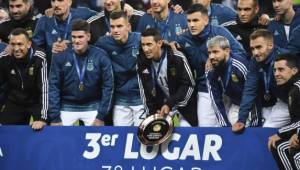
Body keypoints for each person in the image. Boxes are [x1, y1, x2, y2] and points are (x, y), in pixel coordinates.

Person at [176, 4, 246, 127]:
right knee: (205, 128)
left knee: (234, 123)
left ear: (206, 20)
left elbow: (241, 53)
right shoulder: (183, 39)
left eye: (195, 20)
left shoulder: (220, 32)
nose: (191, 24)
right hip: (205, 88)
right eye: (189, 21)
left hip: (230, 86)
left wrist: (216, 59)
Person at [48, 19, 114, 126]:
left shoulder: (100, 55)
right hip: (67, 106)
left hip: (92, 106)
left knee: (97, 136)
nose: (76, 41)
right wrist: (55, 117)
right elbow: (53, 86)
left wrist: (101, 116)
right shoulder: (60, 56)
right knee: (57, 139)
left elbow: (108, 86)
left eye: (80, 37)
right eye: (74, 37)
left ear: (88, 37)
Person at [137, 28, 198, 127]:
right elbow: (145, 92)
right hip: (163, 109)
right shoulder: (142, 63)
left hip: (185, 105)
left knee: (187, 133)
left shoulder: (176, 57)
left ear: (160, 43)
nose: (145, 49)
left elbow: (189, 85)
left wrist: (171, 104)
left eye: (149, 44)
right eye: (143, 45)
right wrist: (152, 113)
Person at [232, 29, 289, 133]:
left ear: (270, 45)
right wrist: (241, 119)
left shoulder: (285, 59)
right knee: (267, 128)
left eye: (258, 47)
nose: (255, 53)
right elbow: (250, 90)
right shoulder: (254, 62)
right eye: (252, 48)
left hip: (294, 101)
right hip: (283, 101)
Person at [95, 11, 145, 126]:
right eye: (112, 27)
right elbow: (87, 51)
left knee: (143, 136)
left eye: (119, 26)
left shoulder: (140, 40)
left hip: (141, 98)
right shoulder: (103, 43)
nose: (115, 30)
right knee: (121, 137)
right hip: (120, 100)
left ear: (128, 26)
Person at [0, 28, 48, 130]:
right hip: (15, 100)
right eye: (13, 44)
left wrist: (42, 118)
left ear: (29, 44)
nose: (16, 48)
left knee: (42, 130)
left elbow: (44, 89)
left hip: (35, 100)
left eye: (20, 44)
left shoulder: (39, 57)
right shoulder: (4, 58)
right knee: (5, 132)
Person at [33, 0, 97, 64]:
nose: (56, 4)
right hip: (53, 68)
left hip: (78, 67)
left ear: (69, 2)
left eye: (60, 0)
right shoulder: (44, 20)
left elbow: (101, 17)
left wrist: (71, 43)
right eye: (53, 1)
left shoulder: (82, 14)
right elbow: (35, 47)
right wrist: (50, 50)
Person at [206, 36, 249, 127]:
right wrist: (225, 125)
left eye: (215, 52)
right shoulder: (210, 69)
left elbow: (253, 93)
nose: (211, 57)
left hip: (252, 104)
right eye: (209, 53)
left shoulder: (239, 65)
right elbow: (215, 99)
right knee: (228, 127)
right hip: (236, 103)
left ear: (227, 51)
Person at [267, 54, 300, 170]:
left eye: (281, 69)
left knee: (293, 153)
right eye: (275, 70)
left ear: (294, 70)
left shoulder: (297, 89)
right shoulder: (293, 88)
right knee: (280, 146)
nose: (276, 74)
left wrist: (280, 133)